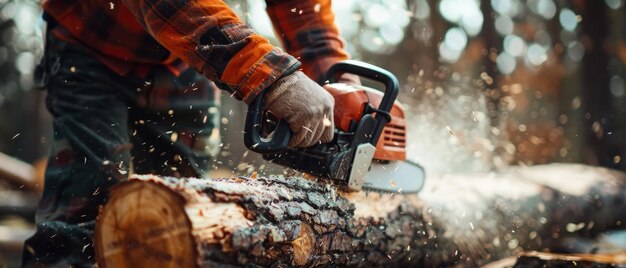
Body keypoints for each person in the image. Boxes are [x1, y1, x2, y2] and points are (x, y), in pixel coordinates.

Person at [23, 0, 357, 266]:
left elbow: (300, 7)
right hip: (89, 42)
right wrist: (269, 75)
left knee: (183, 216)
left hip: (183, 55)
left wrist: (336, 79)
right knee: (83, 210)